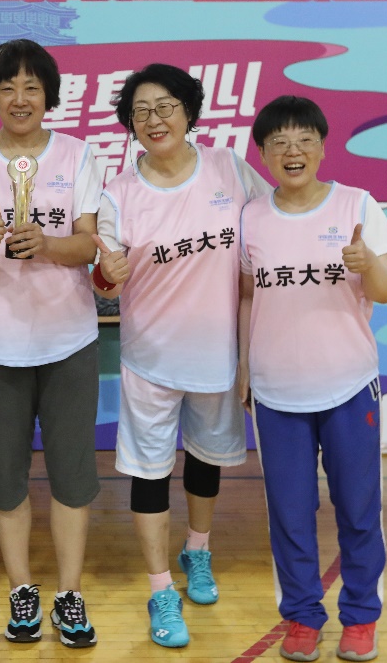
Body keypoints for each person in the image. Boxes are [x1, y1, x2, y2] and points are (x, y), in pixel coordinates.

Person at [90, 63, 271, 648]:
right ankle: (160, 587)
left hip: (216, 353)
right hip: (149, 358)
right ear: (130, 124)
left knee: (204, 460)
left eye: (166, 106)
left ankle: (198, 550)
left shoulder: (228, 169)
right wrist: (106, 274)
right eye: (141, 111)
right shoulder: (119, 194)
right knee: (149, 472)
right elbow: (103, 278)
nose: (154, 119)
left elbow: (274, 224)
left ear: (189, 112)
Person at [0, 39, 101, 648]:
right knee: (6, 476)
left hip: (70, 339)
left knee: (72, 475)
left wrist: (48, 245)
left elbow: (88, 243)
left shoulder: (78, 155)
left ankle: (70, 592)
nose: (19, 98)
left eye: (31, 87)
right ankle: (21, 588)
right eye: (8, 87)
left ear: (48, 96)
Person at [237, 95, 387, 663]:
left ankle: (361, 617)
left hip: (349, 384)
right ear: (262, 155)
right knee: (290, 514)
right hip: (276, 391)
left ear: (323, 147)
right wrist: (244, 366)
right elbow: (247, 295)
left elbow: (385, 290)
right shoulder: (251, 218)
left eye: (305, 140)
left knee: (358, 508)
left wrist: (368, 263)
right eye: (278, 142)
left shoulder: (357, 205)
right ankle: (303, 617)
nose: (293, 151)